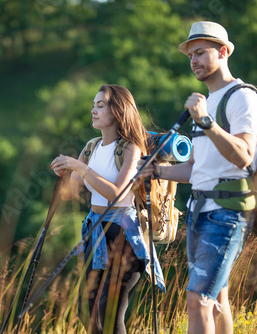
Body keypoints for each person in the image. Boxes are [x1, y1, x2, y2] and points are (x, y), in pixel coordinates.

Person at [137, 21, 257, 334]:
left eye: (201, 53)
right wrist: (157, 171)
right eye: (190, 55)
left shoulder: (242, 98)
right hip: (199, 211)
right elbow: (197, 168)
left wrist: (205, 120)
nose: (194, 60)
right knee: (217, 298)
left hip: (228, 212)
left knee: (197, 298)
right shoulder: (207, 103)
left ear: (223, 52)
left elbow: (244, 155)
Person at [50, 84, 165, 334]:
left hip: (124, 232)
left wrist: (80, 169)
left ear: (117, 111)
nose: (93, 110)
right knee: (86, 308)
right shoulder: (91, 147)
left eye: (100, 105)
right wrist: (65, 172)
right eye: (93, 105)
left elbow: (117, 194)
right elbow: (69, 194)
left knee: (110, 314)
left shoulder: (131, 148)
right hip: (96, 230)